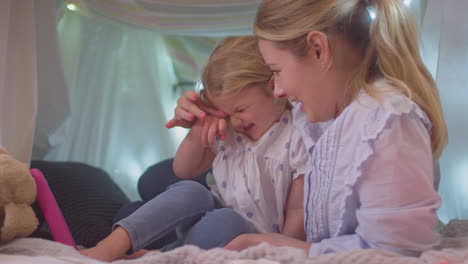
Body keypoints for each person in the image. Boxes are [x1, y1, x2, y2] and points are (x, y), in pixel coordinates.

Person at [223, 0, 448, 258]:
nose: (278, 90)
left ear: (318, 49)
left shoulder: (388, 122)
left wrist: (282, 246)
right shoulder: (328, 119)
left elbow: (394, 255)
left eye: (277, 70)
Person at [79, 35, 308, 262]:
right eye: (226, 113)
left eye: (240, 110)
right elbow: (183, 170)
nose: (235, 121)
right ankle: (111, 246)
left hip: (252, 234)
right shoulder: (229, 130)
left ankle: (162, 255)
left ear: (274, 88)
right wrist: (199, 130)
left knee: (228, 221)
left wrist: (282, 248)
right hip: (210, 214)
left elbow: (298, 209)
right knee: (192, 190)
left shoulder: (296, 136)